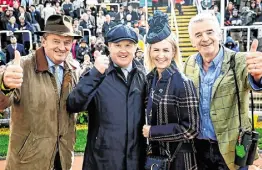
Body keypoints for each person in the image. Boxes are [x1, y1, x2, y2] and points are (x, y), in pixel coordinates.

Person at [2, 14, 81, 170]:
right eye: (56, 41)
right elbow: (2, 103)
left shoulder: (74, 70)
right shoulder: (23, 67)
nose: (62, 47)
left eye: (67, 42)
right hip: (28, 163)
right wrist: (4, 84)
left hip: (63, 161)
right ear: (43, 41)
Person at [184, 13, 262, 170]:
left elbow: (254, 82)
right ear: (192, 41)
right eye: (198, 35)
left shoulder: (239, 60)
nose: (205, 38)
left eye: (209, 32)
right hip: (198, 149)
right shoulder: (189, 63)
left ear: (219, 34)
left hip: (233, 148)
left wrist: (258, 76)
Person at [66, 24, 147, 170]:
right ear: (109, 46)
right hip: (102, 161)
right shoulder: (96, 73)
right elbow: (74, 104)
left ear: (135, 48)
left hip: (135, 161)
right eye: (118, 45)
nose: (123, 50)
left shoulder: (143, 75)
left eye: (128, 45)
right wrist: (95, 74)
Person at [142, 11, 199, 170]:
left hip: (180, 160)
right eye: (156, 50)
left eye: (165, 50)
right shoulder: (148, 80)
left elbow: (191, 128)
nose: (161, 55)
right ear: (149, 51)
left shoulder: (183, 82)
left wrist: (153, 132)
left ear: (173, 52)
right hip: (156, 158)